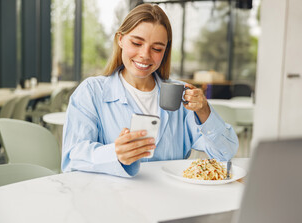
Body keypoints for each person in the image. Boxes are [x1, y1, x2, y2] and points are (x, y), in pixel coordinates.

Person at [62, 3, 238, 177]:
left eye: (156, 48)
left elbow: (225, 154)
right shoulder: (91, 92)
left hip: (172, 200)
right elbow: (72, 159)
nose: (145, 54)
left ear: (165, 51)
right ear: (120, 39)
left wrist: (204, 111)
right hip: (114, 199)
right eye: (137, 43)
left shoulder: (181, 94)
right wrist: (115, 153)